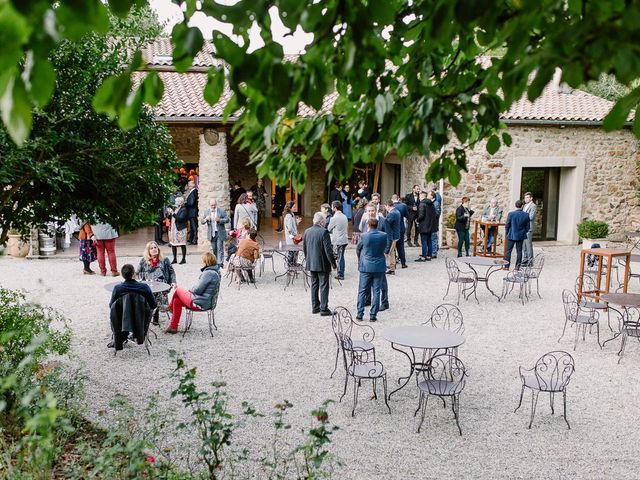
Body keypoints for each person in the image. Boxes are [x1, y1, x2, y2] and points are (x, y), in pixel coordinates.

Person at [165, 252, 221, 334]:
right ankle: (173, 327)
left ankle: (170, 308)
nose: (202, 262)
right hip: (206, 302)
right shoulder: (215, 271)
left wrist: (190, 290)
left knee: (178, 290)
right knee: (177, 301)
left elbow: (198, 289)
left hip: (199, 303)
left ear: (206, 262)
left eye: (203, 260)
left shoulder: (209, 273)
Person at [303, 212, 337, 316]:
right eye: (325, 221)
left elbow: (304, 248)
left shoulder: (307, 231)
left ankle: (315, 307)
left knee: (314, 285)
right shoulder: (324, 232)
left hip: (311, 262)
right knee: (323, 285)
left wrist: (308, 259)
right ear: (322, 221)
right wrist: (334, 264)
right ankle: (324, 308)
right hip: (322, 263)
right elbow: (328, 250)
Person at [136, 241, 177, 325]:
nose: (154, 249)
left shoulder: (165, 260)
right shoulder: (143, 261)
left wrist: (173, 282)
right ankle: (151, 311)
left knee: (156, 292)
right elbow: (137, 274)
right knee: (147, 292)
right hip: (148, 284)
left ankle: (155, 313)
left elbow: (172, 272)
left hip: (163, 285)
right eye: (152, 248)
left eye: (155, 247)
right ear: (148, 251)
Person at [356, 218, 388, 322]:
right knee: (376, 291)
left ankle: (360, 314)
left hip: (366, 265)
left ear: (368, 225)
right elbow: (386, 247)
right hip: (379, 265)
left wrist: (360, 258)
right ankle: (373, 315)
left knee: (362, 290)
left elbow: (358, 248)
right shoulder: (383, 235)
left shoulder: (364, 236)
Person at [201, 198, 230, 268]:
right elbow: (202, 221)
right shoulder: (206, 212)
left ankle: (220, 263)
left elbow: (227, 219)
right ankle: (215, 261)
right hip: (211, 233)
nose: (213, 206)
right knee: (214, 249)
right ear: (209, 205)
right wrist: (205, 219)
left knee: (220, 248)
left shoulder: (221, 211)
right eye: (212, 205)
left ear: (216, 204)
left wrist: (220, 220)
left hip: (219, 232)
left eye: (214, 205)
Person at [504, 200, 531, 270]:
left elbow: (507, 225)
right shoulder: (526, 215)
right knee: (519, 251)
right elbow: (528, 227)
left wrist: (507, 232)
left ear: (515, 206)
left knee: (508, 251)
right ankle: (517, 267)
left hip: (511, 234)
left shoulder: (511, 214)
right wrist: (523, 232)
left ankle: (506, 266)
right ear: (522, 206)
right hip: (520, 235)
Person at [327, 200, 349, 280]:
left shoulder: (334, 218)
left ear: (335, 208)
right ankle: (339, 271)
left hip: (338, 240)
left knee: (339, 257)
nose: (331, 208)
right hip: (344, 239)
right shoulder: (344, 216)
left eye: (332, 206)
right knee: (341, 256)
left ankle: (341, 274)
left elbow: (329, 228)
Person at [415, 191, 438, 261]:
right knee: (429, 241)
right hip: (430, 225)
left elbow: (421, 215)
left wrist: (417, 220)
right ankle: (429, 256)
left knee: (424, 241)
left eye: (419, 196)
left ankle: (424, 256)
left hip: (424, 225)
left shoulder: (422, 204)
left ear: (421, 196)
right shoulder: (431, 203)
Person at [167, 196, 188, 264]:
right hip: (174, 228)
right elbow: (171, 217)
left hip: (180, 229)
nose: (175, 203)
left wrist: (173, 213)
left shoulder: (184, 209)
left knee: (182, 244)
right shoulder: (176, 209)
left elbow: (180, 219)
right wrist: (169, 213)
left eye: (176, 202)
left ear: (180, 202)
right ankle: (174, 259)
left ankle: (183, 259)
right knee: (173, 244)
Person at [383, 199, 401, 274]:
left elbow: (387, 225)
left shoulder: (392, 214)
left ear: (387, 205)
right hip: (396, 234)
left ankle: (387, 267)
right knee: (392, 252)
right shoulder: (397, 211)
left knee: (387, 252)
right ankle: (392, 268)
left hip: (392, 236)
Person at [391, 194, 408, 269]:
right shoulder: (403, 206)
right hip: (401, 228)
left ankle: (393, 264)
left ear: (392, 199)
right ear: (398, 199)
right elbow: (407, 216)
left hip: (392, 229)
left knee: (393, 247)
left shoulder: (390, 206)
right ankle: (403, 263)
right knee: (401, 247)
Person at [522, 192, 537, 265]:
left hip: (529, 227)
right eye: (525, 197)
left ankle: (530, 261)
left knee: (528, 244)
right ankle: (525, 259)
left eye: (527, 197)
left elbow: (531, 217)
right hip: (523, 227)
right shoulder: (524, 206)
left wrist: (522, 217)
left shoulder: (533, 206)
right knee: (523, 245)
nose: (526, 199)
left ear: (531, 198)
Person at [185, 180, 199, 245]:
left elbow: (192, 202)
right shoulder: (192, 191)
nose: (188, 186)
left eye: (189, 184)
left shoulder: (194, 191)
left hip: (192, 212)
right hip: (191, 212)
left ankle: (194, 240)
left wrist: (185, 203)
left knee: (194, 226)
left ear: (192, 185)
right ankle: (191, 239)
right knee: (192, 226)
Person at [431, 187, 442, 258]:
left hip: (434, 222)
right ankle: (435, 248)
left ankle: (434, 252)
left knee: (434, 236)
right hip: (434, 222)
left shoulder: (436, 202)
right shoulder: (436, 200)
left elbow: (437, 213)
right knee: (434, 237)